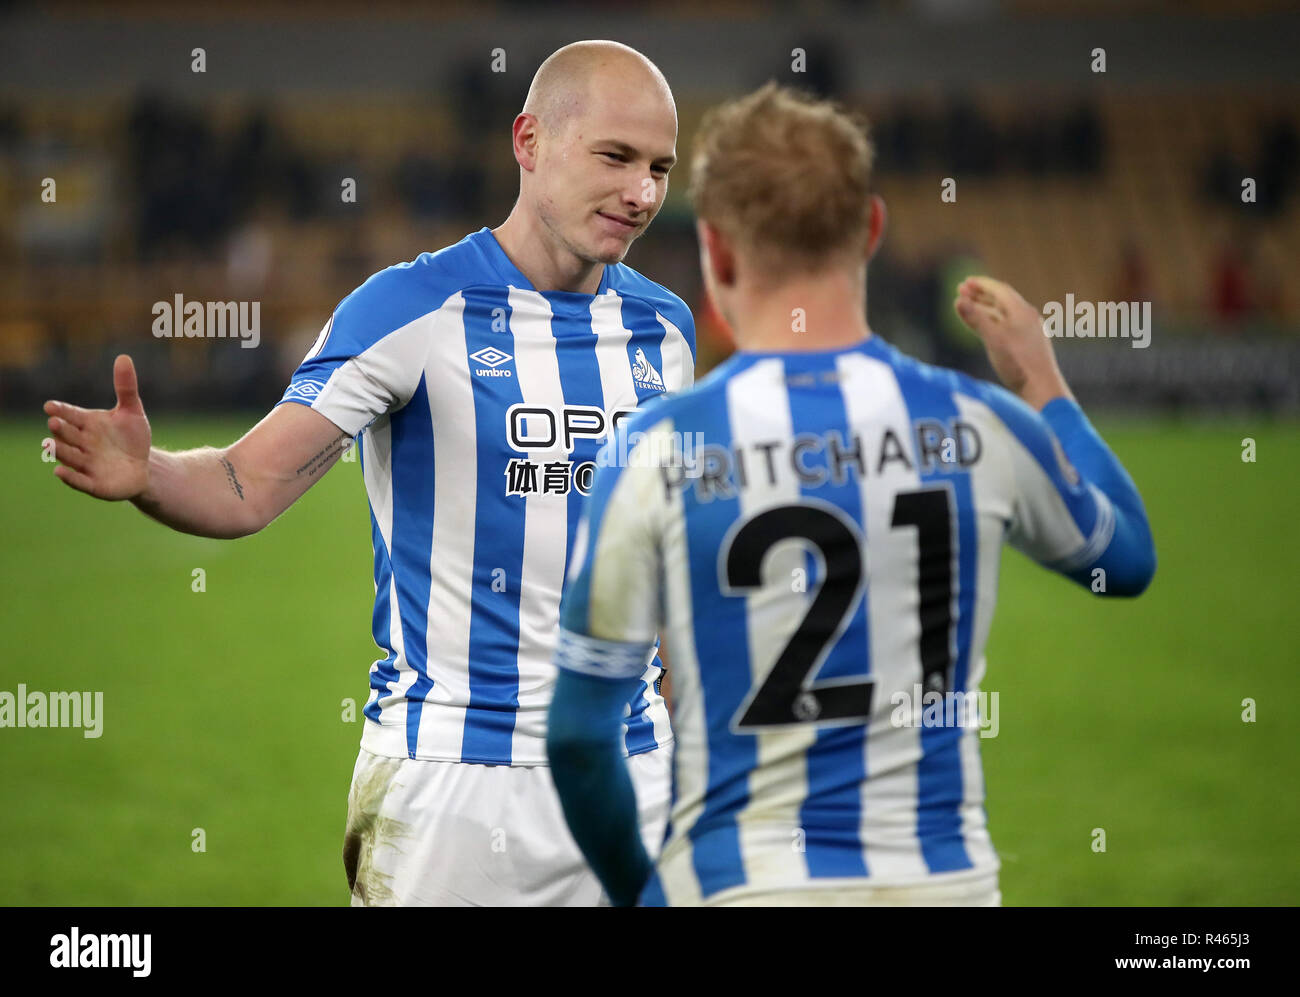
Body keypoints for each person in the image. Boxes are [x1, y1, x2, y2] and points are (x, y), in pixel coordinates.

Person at [41, 40, 693, 906]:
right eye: (615, 157)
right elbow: (247, 484)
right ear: (529, 141)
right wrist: (150, 472)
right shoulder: (412, 310)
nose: (642, 192)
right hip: (455, 785)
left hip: (637, 776)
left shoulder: (668, 331)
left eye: (659, 168)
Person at [547, 83, 1156, 907]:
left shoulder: (659, 448)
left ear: (716, 251)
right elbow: (1125, 559)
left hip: (741, 885)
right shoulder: (976, 421)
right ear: (870, 230)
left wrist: (639, 893)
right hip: (945, 883)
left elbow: (581, 737)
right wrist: (1043, 379)